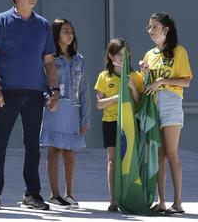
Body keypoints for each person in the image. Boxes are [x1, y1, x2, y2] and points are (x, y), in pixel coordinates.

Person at [0, 0, 59, 211]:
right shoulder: (2, 21)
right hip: (7, 91)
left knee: (32, 146)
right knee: (0, 143)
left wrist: (54, 90)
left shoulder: (43, 25)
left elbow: (49, 61)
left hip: (36, 92)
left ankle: (32, 194)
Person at [141, 13, 192, 214]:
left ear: (166, 30)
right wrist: (143, 72)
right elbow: (145, 84)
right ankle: (161, 202)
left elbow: (186, 81)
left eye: (155, 27)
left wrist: (162, 81)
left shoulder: (179, 51)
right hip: (154, 106)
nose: (151, 31)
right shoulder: (149, 54)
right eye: (149, 27)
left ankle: (178, 202)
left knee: (171, 153)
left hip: (171, 103)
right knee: (159, 154)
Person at [39, 19, 89, 209]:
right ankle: (54, 194)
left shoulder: (79, 59)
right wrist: (47, 98)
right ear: (56, 34)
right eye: (65, 30)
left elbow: (84, 90)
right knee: (54, 150)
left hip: (73, 111)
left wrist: (85, 118)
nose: (70, 34)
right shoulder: (49, 57)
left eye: (71, 31)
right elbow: (42, 82)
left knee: (70, 152)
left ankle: (69, 194)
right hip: (55, 109)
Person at [94, 38, 144, 212]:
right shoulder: (104, 76)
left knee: (130, 160)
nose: (123, 58)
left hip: (129, 123)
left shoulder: (135, 76)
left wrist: (132, 87)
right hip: (110, 122)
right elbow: (99, 104)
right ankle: (113, 200)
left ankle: (129, 195)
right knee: (112, 160)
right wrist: (115, 98)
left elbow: (139, 104)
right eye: (118, 54)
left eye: (125, 54)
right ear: (110, 55)